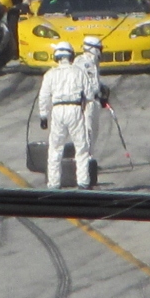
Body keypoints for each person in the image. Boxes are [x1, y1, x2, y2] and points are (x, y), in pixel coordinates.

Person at [38, 41, 95, 189]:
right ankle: (83, 182)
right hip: (75, 109)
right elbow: (89, 95)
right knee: (81, 148)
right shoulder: (79, 72)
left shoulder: (50, 74)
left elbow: (44, 96)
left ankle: (54, 184)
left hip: (57, 111)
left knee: (55, 149)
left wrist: (44, 116)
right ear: (71, 56)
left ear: (56, 56)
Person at [75, 35, 107, 161]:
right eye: (99, 49)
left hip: (95, 102)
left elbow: (94, 82)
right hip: (86, 103)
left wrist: (102, 90)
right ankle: (85, 160)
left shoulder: (94, 64)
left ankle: (90, 158)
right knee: (87, 132)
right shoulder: (81, 62)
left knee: (93, 133)